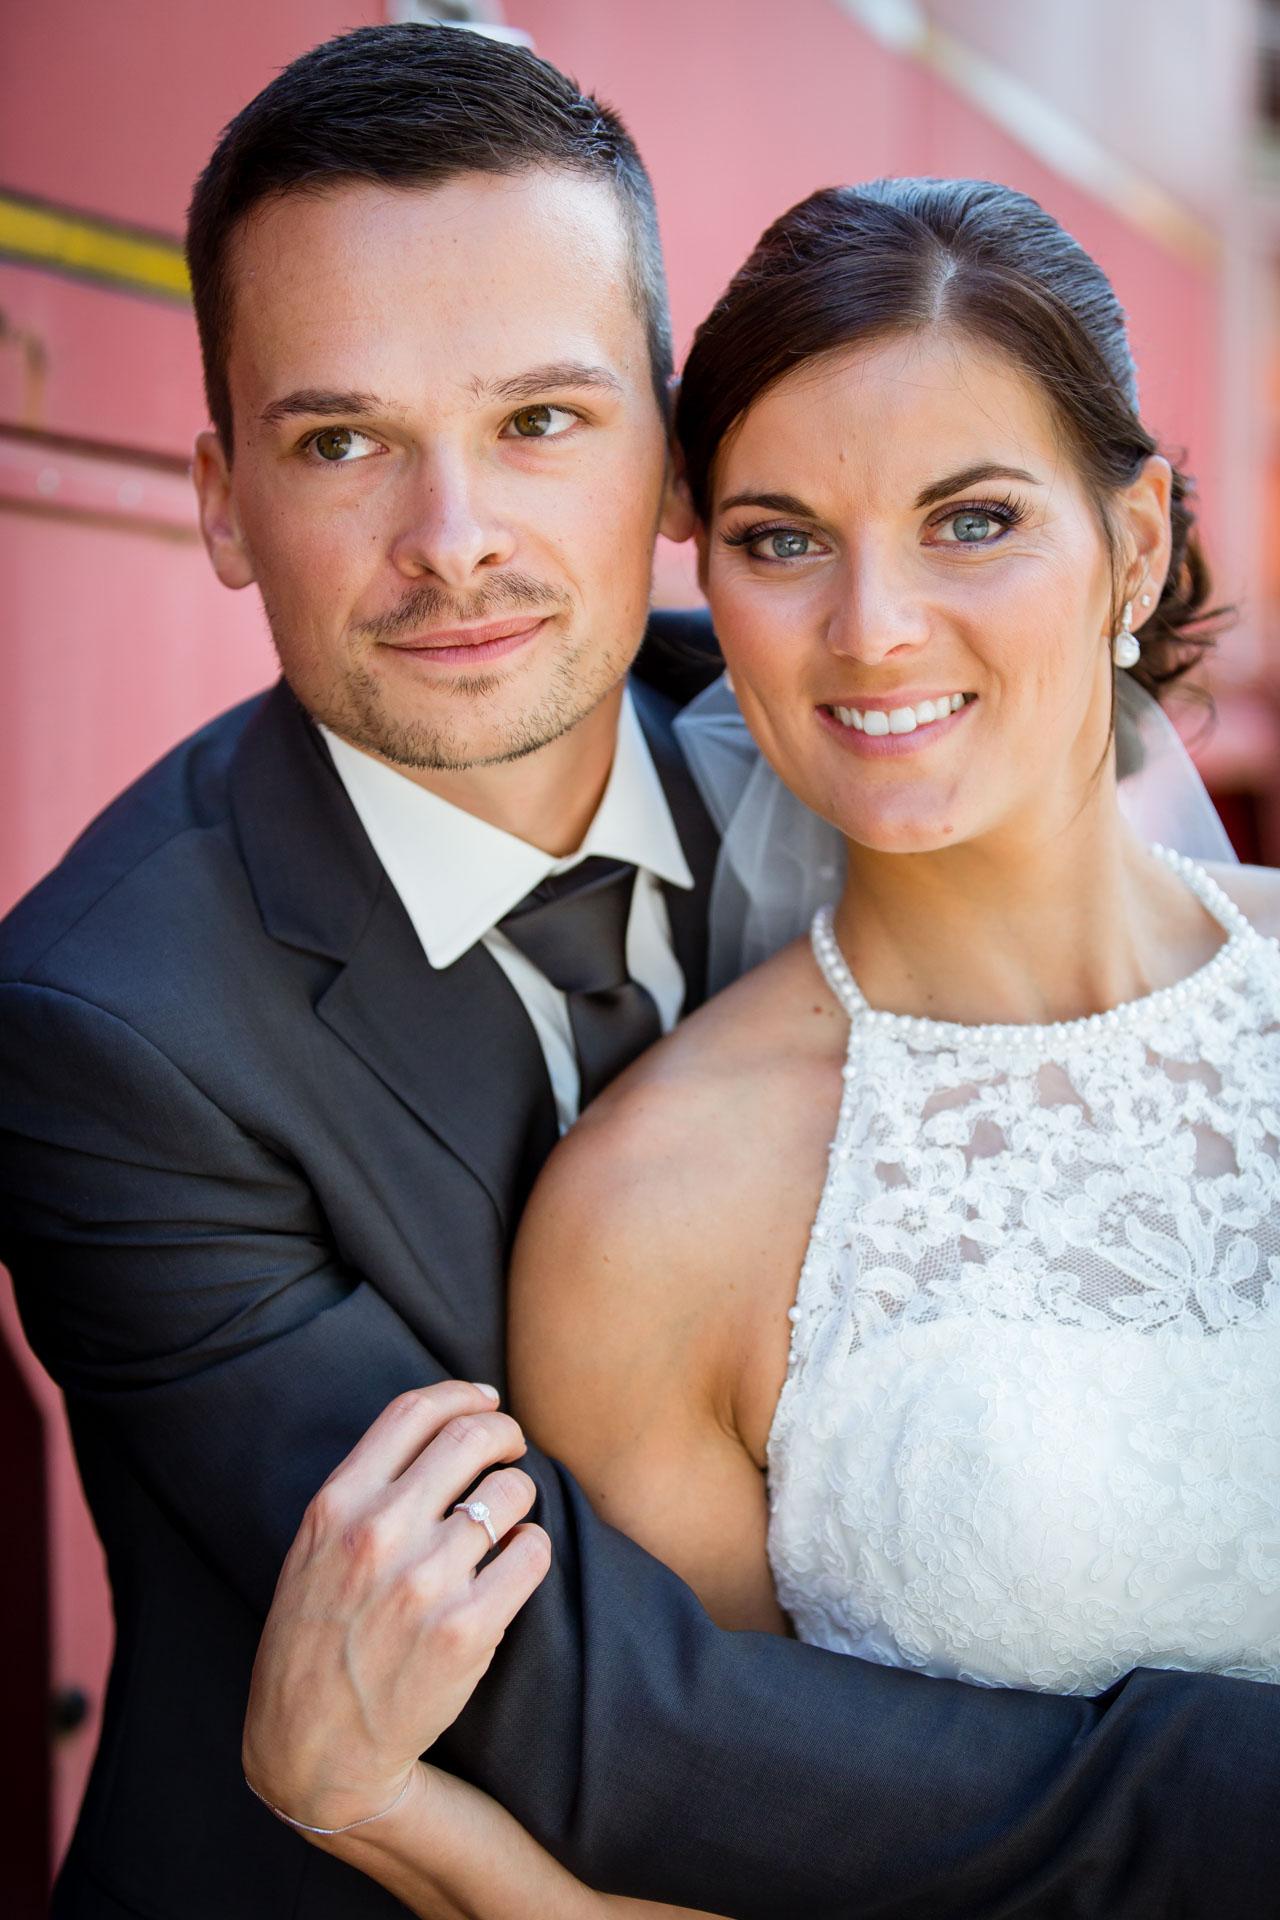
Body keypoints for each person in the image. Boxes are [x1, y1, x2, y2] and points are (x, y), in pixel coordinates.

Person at [0, 16, 1274, 1913]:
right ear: (218, 496)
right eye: (343, 440)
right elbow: (585, 1705)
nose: (456, 545)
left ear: (659, 465)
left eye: (538, 421)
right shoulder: (107, 1033)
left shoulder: (836, 722)